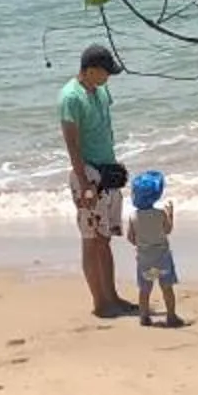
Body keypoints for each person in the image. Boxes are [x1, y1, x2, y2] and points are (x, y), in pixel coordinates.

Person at [59, 43, 134, 317]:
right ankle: (100, 303)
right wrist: (85, 182)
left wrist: (113, 163)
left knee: (106, 237)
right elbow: (72, 143)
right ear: (89, 70)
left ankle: (112, 296)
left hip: (107, 170)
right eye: (105, 73)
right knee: (91, 238)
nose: (108, 78)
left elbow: (104, 128)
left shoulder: (101, 91)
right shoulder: (70, 97)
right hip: (87, 174)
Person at [127, 168, 182, 327]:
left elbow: (130, 238)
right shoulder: (160, 214)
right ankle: (171, 316)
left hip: (145, 259)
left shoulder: (133, 216)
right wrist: (170, 215)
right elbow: (167, 230)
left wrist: (141, 243)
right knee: (167, 288)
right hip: (162, 258)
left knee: (145, 290)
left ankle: (144, 317)